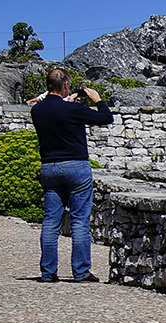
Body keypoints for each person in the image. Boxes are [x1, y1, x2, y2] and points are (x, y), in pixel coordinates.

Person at [28, 67, 113, 281]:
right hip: (76, 166)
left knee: (50, 221)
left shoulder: (37, 111)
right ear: (66, 85)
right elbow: (106, 118)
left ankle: (48, 273)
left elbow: (50, 108)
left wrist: (68, 103)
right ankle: (81, 271)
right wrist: (97, 100)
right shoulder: (72, 111)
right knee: (79, 221)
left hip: (49, 167)